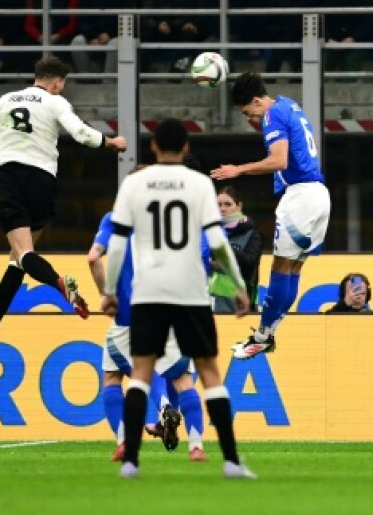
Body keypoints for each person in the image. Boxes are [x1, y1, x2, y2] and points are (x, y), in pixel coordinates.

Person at [101, 118, 254, 479]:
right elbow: (217, 241)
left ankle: (131, 463)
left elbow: (118, 243)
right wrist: (238, 284)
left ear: (153, 147)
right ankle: (231, 461)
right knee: (209, 373)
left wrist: (109, 291)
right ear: (186, 148)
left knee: (139, 373)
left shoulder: (134, 185)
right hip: (189, 292)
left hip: (148, 292)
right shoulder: (200, 184)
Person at [0, 57, 129, 352]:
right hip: (42, 180)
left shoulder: (6, 100)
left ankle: (59, 284)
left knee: (23, 254)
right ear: (58, 82)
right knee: (17, 258)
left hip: (8, 175)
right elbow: (81, 133)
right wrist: (111, 143)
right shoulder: (56, 102)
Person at [89, 167, 208, 464]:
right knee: (183, 378)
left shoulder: (115, 218)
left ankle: (125, 441)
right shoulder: (176, 219)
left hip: (131, 313)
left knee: (114, 377)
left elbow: (93, 258)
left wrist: (107, 293)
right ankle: (196, 447)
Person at [213, 72, 330, 359]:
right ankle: (267, 334)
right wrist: (260, 125)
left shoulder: (271, 116)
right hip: (319, 195)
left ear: (256, 101)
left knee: (279, 268)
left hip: (300, 197)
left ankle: (263, 336)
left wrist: (237, 170)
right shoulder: (288, 105)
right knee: (293, 269)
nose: (247, 118)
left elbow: (279, 160)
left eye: (246, 112)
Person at [71, 0, 135, 74]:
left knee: (115, 44)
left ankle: (108, 85)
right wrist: (92, 36)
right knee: (77, 42)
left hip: (115, 36)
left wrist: (109, 34)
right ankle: (87, 81)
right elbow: (82, 20)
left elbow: (127, 20)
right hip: (93, 36)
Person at [210, 186, 264, 313]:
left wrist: (225, 248)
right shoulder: (208, 231)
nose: (222, 209)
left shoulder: (252, 234)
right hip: (207, 301)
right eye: (218, 205)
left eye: (228, 204)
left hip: (237, 304)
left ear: (239, 206)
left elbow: (249, 263)